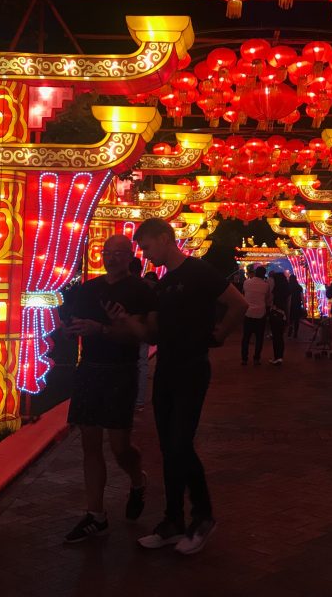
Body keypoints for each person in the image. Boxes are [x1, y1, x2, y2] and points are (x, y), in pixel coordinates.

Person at [132, 218, 247, 555]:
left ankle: (203, 516)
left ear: (166, 239)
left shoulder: (198, 272)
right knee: (169, 447)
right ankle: (172, 521)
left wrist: (221, 333)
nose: (146, 254)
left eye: (148, 246)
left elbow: (238, 303)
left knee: (180, 443)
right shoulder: (166, 283)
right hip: (166, 369)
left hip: (191, 369)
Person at [60, 234, 155, 543]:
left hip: (120, 370)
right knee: (90, 443)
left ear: (130, 257)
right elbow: (74, 321)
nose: (111, 257)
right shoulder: (89, 288)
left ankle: (137, 480)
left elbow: (139, 338)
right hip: (90, 368)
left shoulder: (139, 290)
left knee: (119, 446)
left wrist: (102, 328)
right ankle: (95, 515)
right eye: (106, 252)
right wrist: (69, 327)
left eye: (118, 253)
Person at [129, 256, 151, 411]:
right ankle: (139, 400)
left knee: (129, 363)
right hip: (143, 328)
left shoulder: (126, 286)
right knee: (142, 364)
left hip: (128, 330)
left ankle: (131, 398)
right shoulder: (149, 286)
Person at [241, 265, 271, 365]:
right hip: (260, 314)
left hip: (248, 312)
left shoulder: (246, 282)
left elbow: (244, 294)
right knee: (259, 338)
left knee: (246, 337)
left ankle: (244, 358)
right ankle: (256, 358)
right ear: (264, 274)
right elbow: (267, 299)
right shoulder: (266, 285)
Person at [267, 271, 290, 365]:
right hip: (283, 315)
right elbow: (288, 305)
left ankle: (276, 357)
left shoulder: (275, 290)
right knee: (280, 336)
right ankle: (280, 357)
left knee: (275, 336)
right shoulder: (287, 291)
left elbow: (269, 301)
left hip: (275, 313)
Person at [287, 273, 305, 338]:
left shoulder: (288, 287)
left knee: (291, 319)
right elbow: (302, 297)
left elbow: (288, 297)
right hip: (297, 305)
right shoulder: (299, 287)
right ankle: (295, 333)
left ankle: (290, 329)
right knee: (297, 320)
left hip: (290, 305)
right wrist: (304, 306)